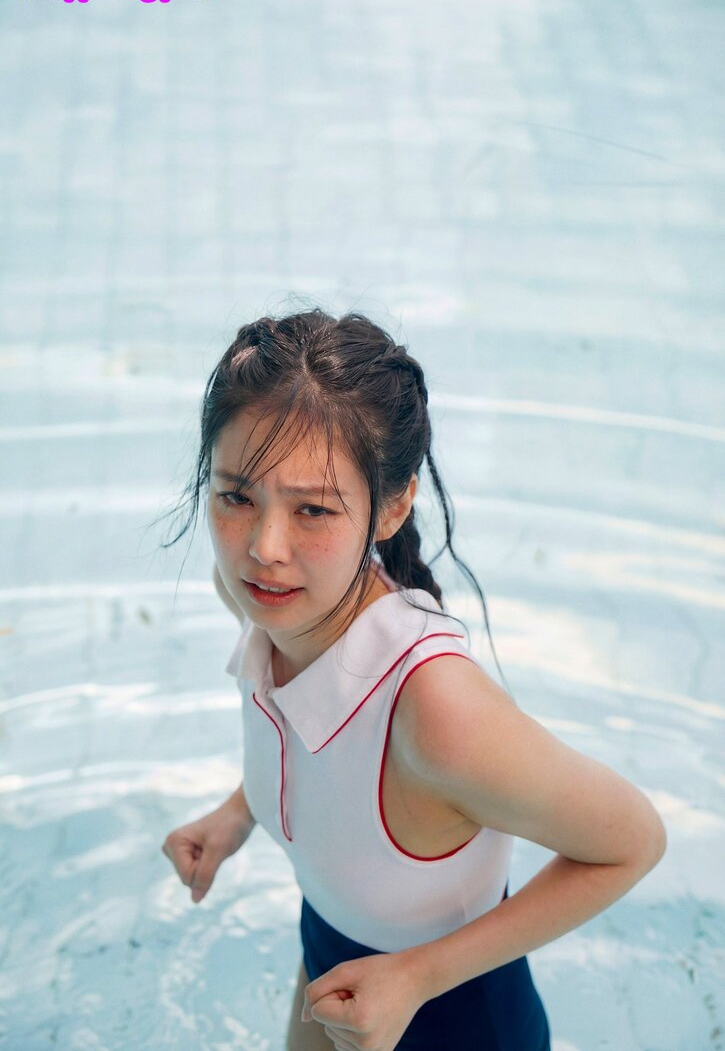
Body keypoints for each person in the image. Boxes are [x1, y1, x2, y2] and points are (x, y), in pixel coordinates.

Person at [161, 307, 667, 1051]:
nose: (264, 547)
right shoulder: (263, 603)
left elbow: (634, 842)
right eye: (237, 496)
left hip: (457, 1020)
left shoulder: (438, 713)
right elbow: (312, 737)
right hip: (329, 959)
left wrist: (418, 975)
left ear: (392, 506)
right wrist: (239, 812)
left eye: (312, 509)